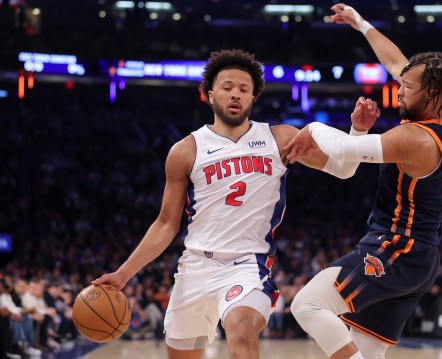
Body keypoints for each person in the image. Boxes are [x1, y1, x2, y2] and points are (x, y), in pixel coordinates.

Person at [92, 49, 380, 359]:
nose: (235, 94)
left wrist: (358, 131)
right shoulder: (185, 150)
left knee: (242, 330)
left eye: (244, 89)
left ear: (253, 97)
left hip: (247, 266)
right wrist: (123, 274)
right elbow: (166, 224)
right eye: (227, 87)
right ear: (209, 94)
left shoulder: (279, 138)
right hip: (194, 267)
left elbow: (343, 169)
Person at [286, 3, 442, 359]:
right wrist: (360, 22)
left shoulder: (418, 140)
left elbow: (343, 150)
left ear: (432, 93)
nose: (399, 89)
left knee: (308, 305)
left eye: (406, 86)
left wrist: (311, 128)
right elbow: (395, 62)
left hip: (397, 248)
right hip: (420, 257)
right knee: (364, 351)